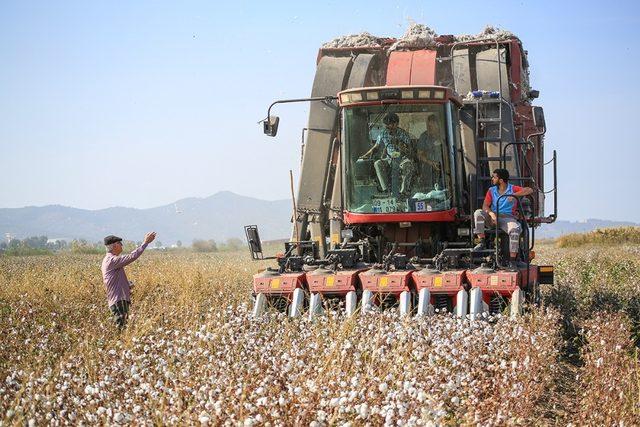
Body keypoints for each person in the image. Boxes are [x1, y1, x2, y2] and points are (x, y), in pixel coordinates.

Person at [473, 169, 533, 268]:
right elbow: (485, 206)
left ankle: (512, 261)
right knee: (478, 213)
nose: (492, 179)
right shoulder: (491, 190)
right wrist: (492, 214)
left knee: (514, 230)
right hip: (493, 217)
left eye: (494, 177)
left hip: (507, 218)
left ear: (501, 180)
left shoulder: (512, 189)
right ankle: (482, 242)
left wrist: (514, 195)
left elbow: (529, 190)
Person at [101, 232, 156, 330]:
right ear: (114, 246)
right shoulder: (111, 260)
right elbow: (132, 256)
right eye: (120, 243)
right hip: (118, 302)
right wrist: (145, 242)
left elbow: (114, 281)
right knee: (121, 331)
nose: (122, 245)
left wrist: (127, 285)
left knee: (123, 329)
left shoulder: (111, 261)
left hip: (119, 301)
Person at [359, 112, 415, 196]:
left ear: (396, 124)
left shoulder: (403, 134)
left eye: (390, 125)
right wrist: (365, 155)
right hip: (389, 158)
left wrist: (399, 144)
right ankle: (386, 190)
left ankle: (403, 191)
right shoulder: (383, 134)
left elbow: (410, 150)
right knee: (377, 163)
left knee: (408, 165)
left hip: (402, 159)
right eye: (387, 126)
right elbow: (376, 147)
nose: (388, 128)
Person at [416, 115, 443, 189]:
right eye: (428, 126)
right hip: (428, 168)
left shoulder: (444, 135)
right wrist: (431, 163)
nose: (429, 128)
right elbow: (419, 155)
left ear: (437, 125)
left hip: (444, 168)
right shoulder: (424, 137)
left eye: (431, 126)